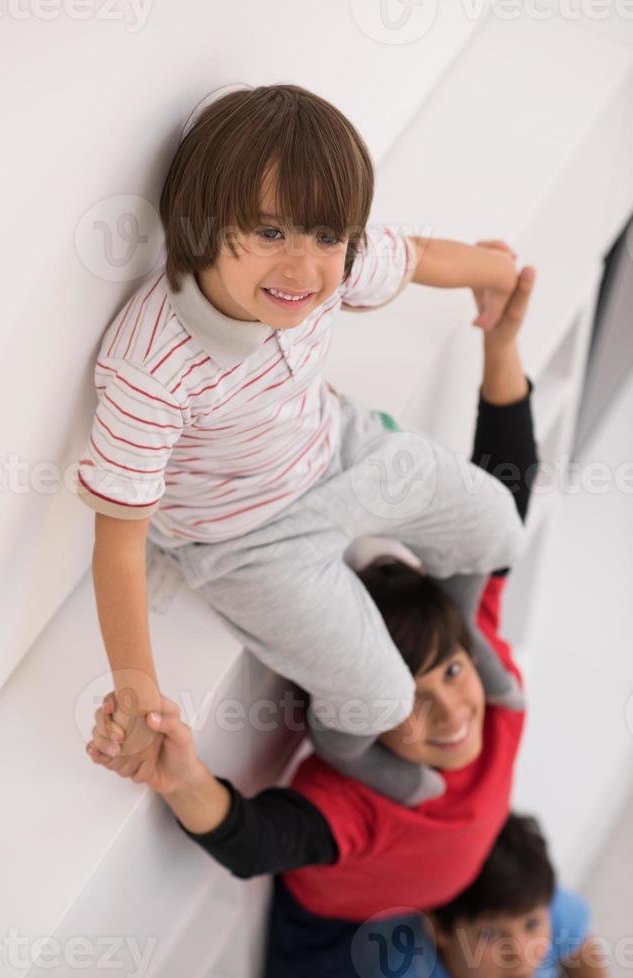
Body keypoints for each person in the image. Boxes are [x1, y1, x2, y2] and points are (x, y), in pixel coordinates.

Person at [75, 81, 527, 804]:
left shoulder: (332, 268)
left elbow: (414, 258)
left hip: (338, 449)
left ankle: (460, 637)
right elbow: (118, 546)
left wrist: (499, 274)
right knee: (382, 699)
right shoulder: (152, 364)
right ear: (200, 223)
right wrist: (137, 694)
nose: (305, 269)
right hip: (246, 539)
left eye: (326, 237)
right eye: (270, 233)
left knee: (497, 523)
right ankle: (346, 744)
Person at [86, 266, 540, 978]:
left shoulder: (492, 692)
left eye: (451, 672)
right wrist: (181, 778)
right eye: (414, 699)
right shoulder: (359, 801)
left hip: (447, 890)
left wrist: (503, 344)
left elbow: (506, 493)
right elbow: (258, 845)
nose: (452, 708)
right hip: (340, 931)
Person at [362, 813, 608, 978]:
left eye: (531, 925)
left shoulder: (534, 902)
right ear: (437, 928)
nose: (520, 952)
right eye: (489, 934)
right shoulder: (399, 970)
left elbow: (580, 949)